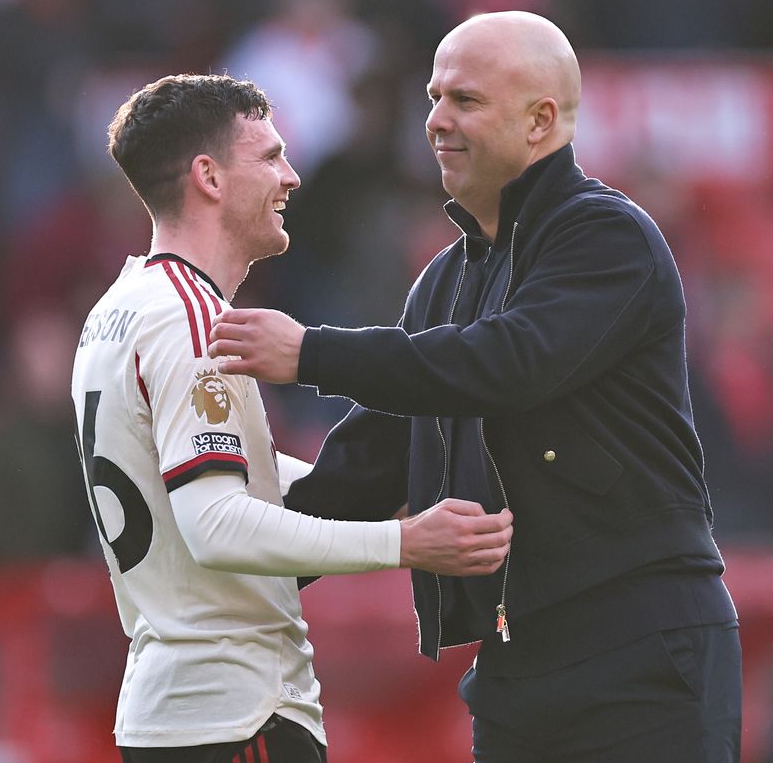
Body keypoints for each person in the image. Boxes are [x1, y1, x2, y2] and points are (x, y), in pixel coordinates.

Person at [209, 12, 742, 762]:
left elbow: (507, 364)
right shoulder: (447, 278)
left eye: (465, 100)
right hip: (517, 670)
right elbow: (368, 466)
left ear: (541, 120)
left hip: (641, 657)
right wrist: (224, 578)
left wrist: (312, 353)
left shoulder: (608, 236)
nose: (435, 121)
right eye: (433, 97)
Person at [71, 73, 513, 763]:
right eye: (271, 156)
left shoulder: (120, 308)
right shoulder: (192, 319)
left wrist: (380, 501)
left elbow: (220, 479)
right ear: (209, 177)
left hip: (174, 709)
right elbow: (216, 524)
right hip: (236, 711)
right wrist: (405, 543)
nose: (292, 176)